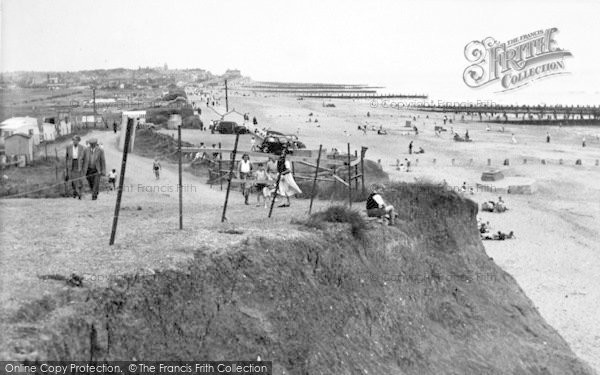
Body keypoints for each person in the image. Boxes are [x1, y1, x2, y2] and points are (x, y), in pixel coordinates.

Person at [65, 135, 87, 199]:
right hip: (71, 164)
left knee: (79, 179)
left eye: (76, 140)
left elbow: (85, 158)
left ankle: (79, 193)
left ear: (79, 141)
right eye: (74, 140)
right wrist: (66, 165)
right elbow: (66, 157)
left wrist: (84, 166)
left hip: (79, 164)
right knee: (73, 179)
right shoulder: (68, 147)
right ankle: (75, 192)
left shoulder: (82, 148)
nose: (75, 141)